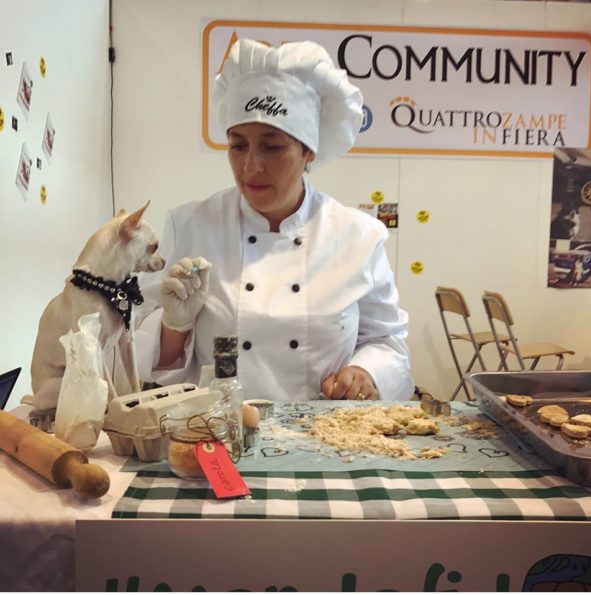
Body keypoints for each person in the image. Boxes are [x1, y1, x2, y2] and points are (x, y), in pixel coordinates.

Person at [134, 39, 414, 402]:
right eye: (238, 145)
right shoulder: (189, 226)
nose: (251, 166)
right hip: (219, 434)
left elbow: (388, 343)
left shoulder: (358, 237)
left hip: (326, 442)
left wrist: (365, 372)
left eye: (273, 146)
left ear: (308, 149)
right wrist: (175, 327)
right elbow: (147, 363)